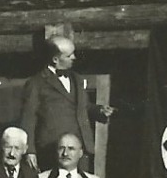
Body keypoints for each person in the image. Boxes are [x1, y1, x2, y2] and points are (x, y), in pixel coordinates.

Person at [18, 36, 113, 170]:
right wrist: (30, 151)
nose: (74, 57)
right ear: (55, 59)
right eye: (69, 55)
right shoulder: (36, 83)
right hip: (53, 149)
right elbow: (28, 119)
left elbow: (83, 106)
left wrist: (99, 111)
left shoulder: (77, 79)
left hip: (79, 148)